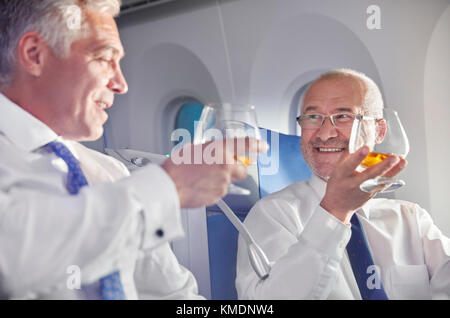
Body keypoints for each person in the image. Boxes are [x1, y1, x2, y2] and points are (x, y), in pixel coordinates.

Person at [0, 0, 267, 299]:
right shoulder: (140, 191)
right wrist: (169, 185)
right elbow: (13, 261)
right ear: (35, 54)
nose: (121, 84)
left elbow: (171, 294)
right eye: (104, 58)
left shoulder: (110, 173)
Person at [236, 69, 450, 300]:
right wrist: (334, 213)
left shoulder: (411, 219)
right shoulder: (274, 214)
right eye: (313, 117)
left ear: (379, 131)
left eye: (343, 117)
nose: (325, 134)